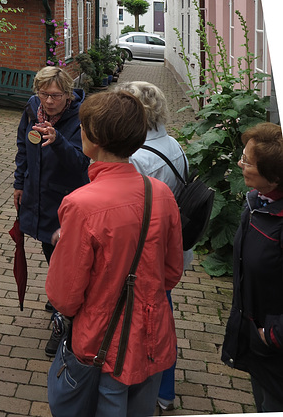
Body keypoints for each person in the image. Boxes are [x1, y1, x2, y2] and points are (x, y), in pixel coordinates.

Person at [46, 91, 183, 417]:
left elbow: (64, 297)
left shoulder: (82, 204)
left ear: (93, 139)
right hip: (152, 338)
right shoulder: (160, 193)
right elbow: (172, 272)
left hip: (101, 342)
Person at [119, 80, 191, 411]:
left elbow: (128, 216)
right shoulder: (174, 145)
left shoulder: (137, 157)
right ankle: (165, 389)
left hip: (145, 257)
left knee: (149, 325)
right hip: (169, 251)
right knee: (164, 314)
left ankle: (150, 389)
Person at [13, 66, 90, 355]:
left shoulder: (82, 118)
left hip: (67, 198)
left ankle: (64, 320)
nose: (48, 101)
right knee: (49, 247)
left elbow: (82, 162)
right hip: (38, 194)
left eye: (55, 95)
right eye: (43, 94)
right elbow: (23, 145)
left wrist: (57, 141)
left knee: (67, 257)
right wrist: (19, 182)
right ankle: (61, 297)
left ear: (69, 94)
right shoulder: (33, 109)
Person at [222, 122, 283, 413]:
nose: (240, 163)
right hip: (258, 340)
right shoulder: (257, 202)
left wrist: (274, 333)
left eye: (247, 160)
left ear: (273, 176)